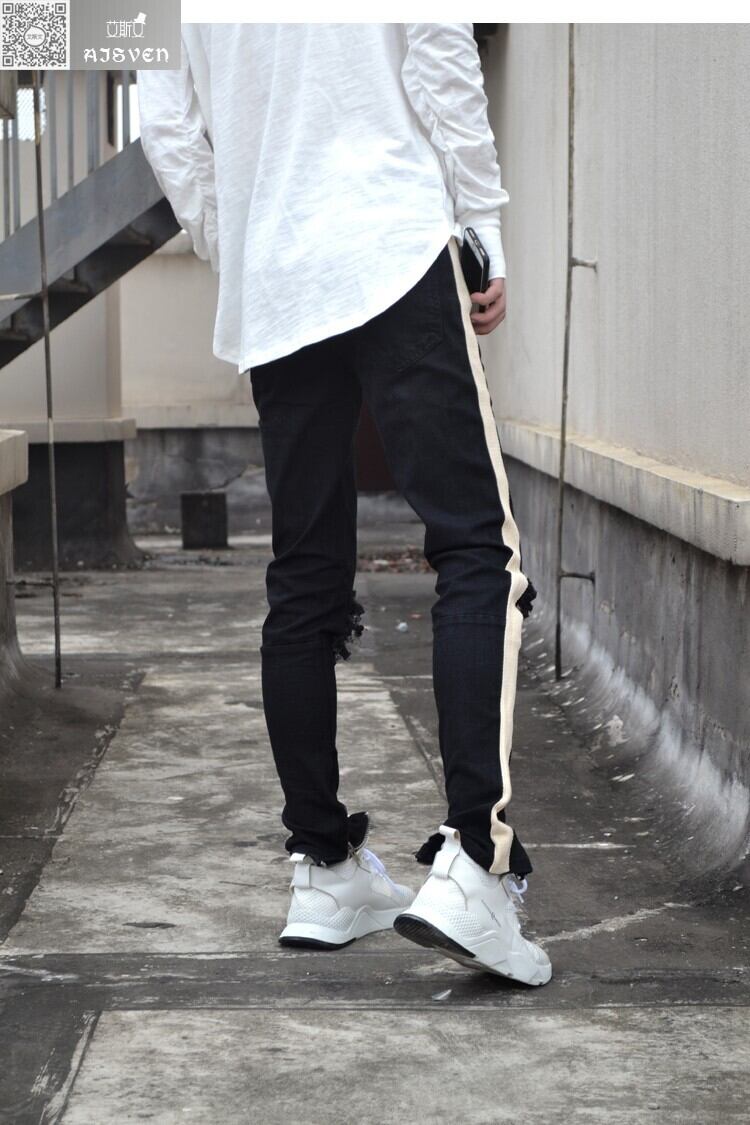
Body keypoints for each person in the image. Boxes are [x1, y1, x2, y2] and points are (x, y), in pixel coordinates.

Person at [138, 22, 551, 986]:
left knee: (305, 573)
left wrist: (239, 236)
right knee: (476, 549)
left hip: (276, 278)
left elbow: (167, 126)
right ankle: (475, 866)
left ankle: (324, 869)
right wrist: (481, 218)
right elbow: (438, 44)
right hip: (388, 240)